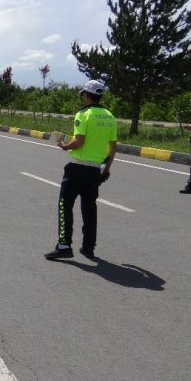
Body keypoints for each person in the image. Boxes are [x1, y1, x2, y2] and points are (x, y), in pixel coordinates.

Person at [45, 80, 117, 260]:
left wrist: (64, 146)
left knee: (65, 206)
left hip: (76, 169)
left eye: (82, 94)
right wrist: (106, 170)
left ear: (86, 95)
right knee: (89, 209)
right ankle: (88, 247)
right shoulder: (110, 116)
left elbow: (79, 142)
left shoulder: (83, 115)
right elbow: (112, 146)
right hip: (94, 170)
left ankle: (64, 246)